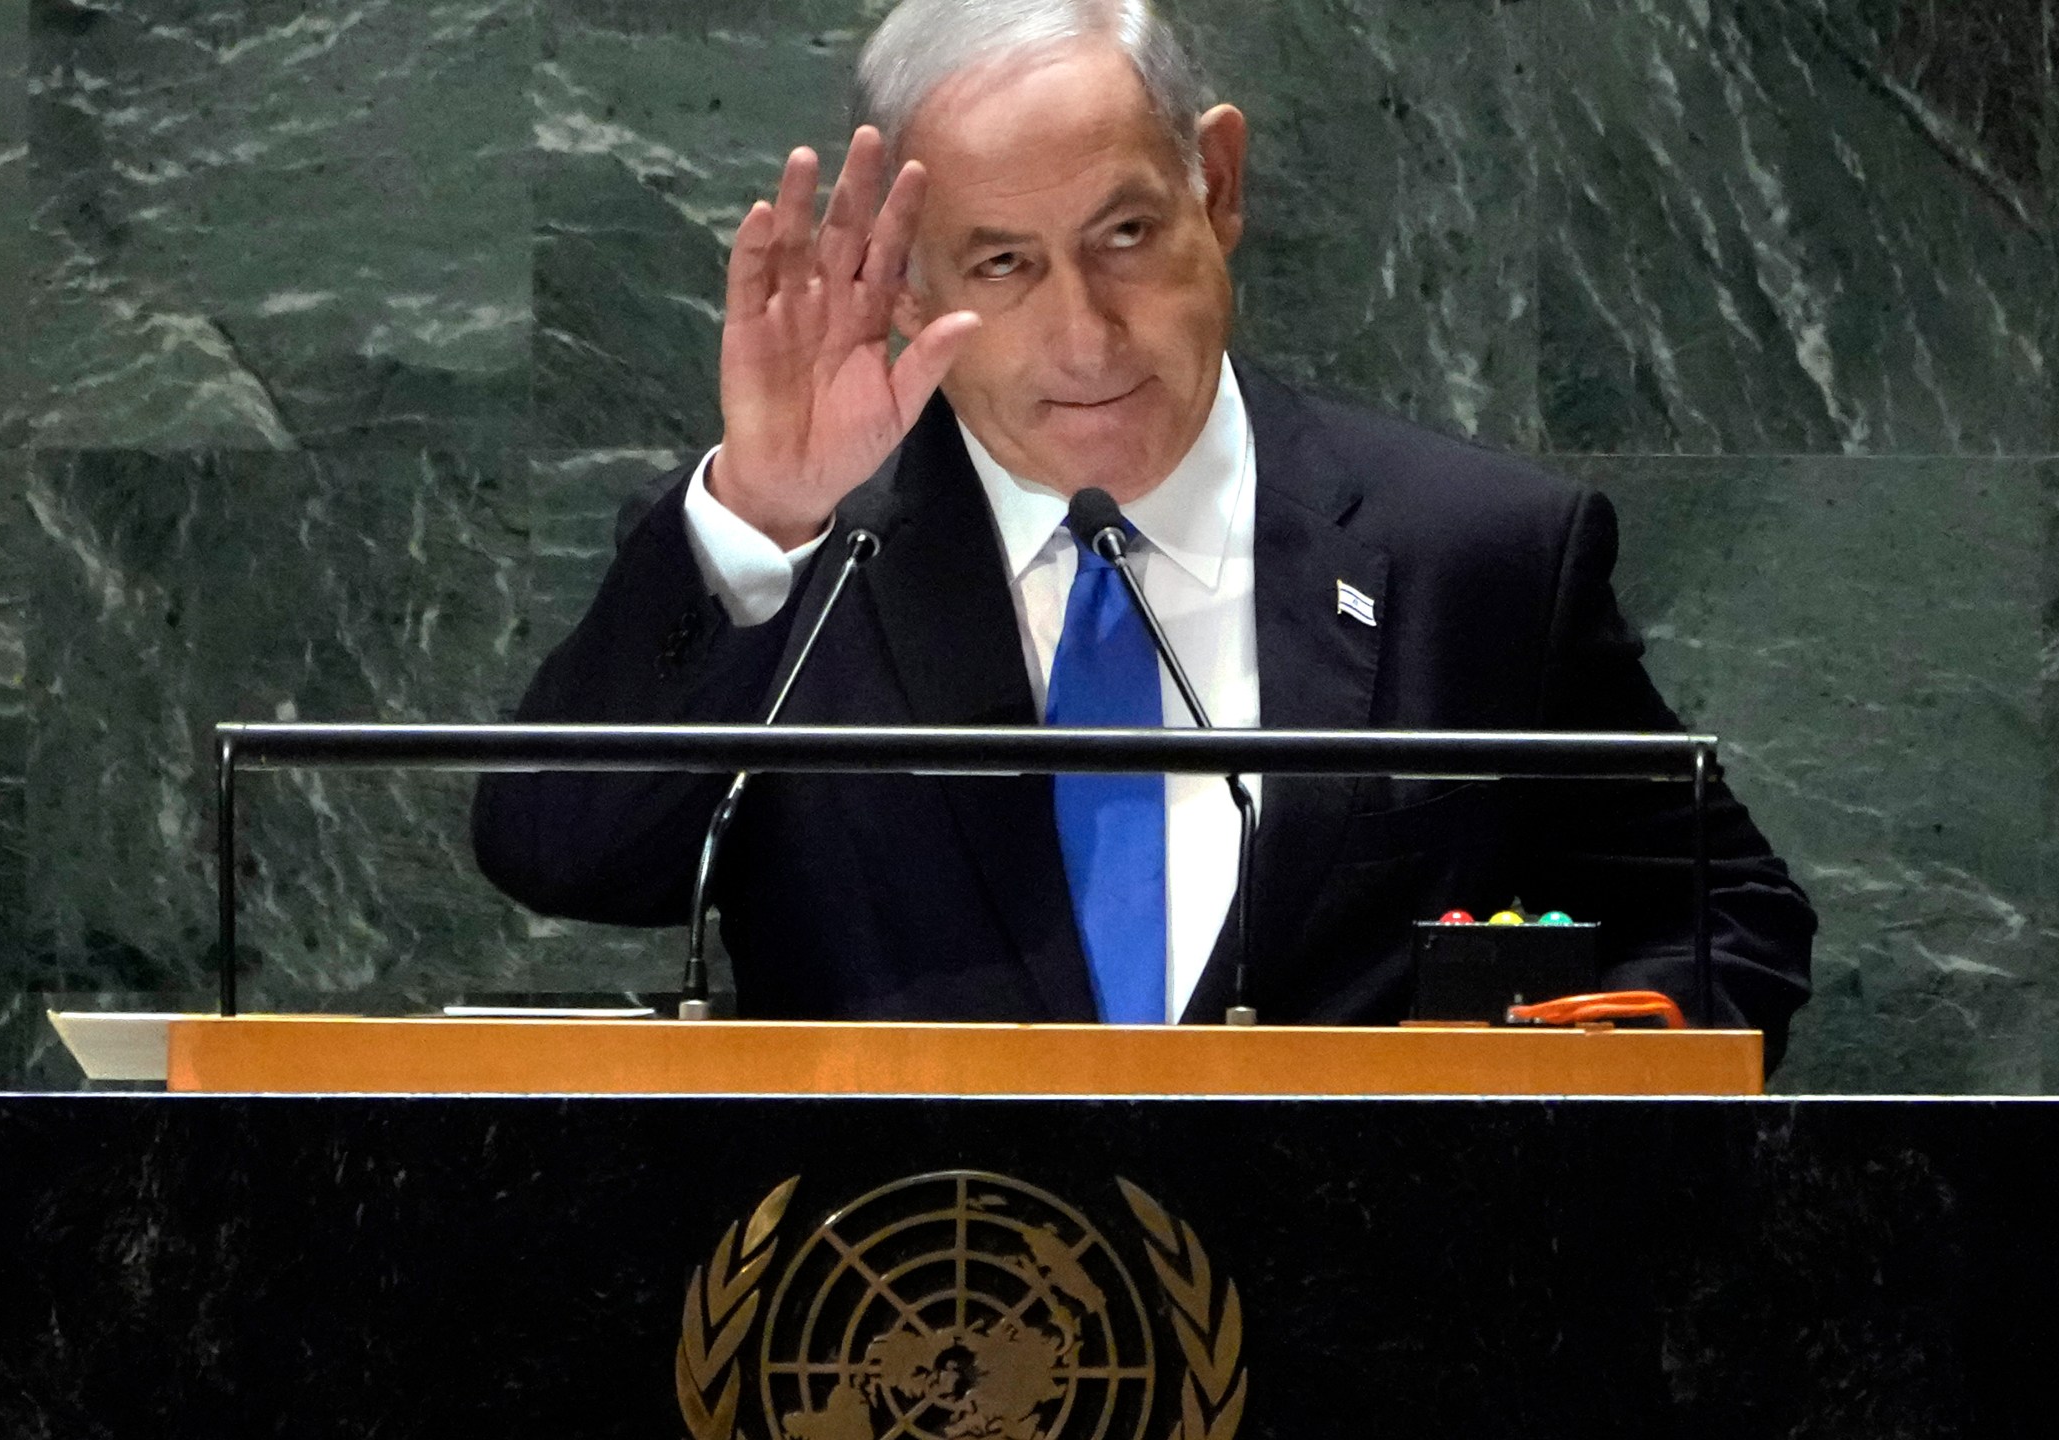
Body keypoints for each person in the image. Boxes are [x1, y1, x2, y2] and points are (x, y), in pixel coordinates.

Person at [474, 0, 1816, 1055]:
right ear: (898, 276)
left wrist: (1547, 1101)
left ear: (1216, 186)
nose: (1084, 333)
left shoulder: (1478, 555)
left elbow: (1725, 918)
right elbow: (560, 853)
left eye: (1125, 233)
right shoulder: (800, 565)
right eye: (1003, 262)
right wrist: (766, 513)